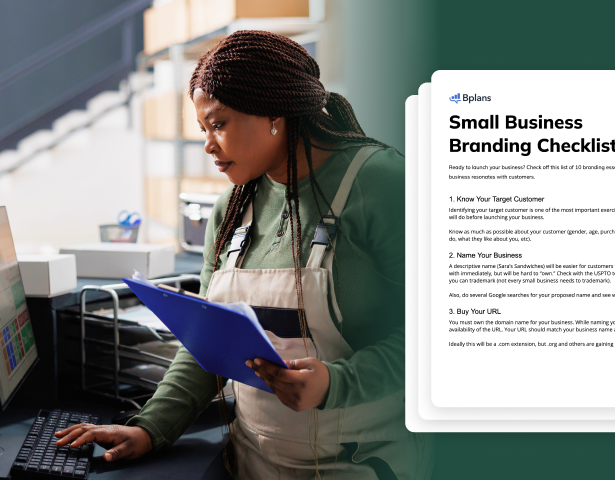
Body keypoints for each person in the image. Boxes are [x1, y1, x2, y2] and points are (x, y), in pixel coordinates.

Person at [53, 30, 434, 479]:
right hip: (251, 463)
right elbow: (205, 343)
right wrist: (151, 428)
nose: (208, 145)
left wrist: (335, 382)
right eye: (203, 129)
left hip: (363, 464)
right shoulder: (232, 208)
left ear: (274, 112)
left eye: (219, 123)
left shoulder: (381, 182)